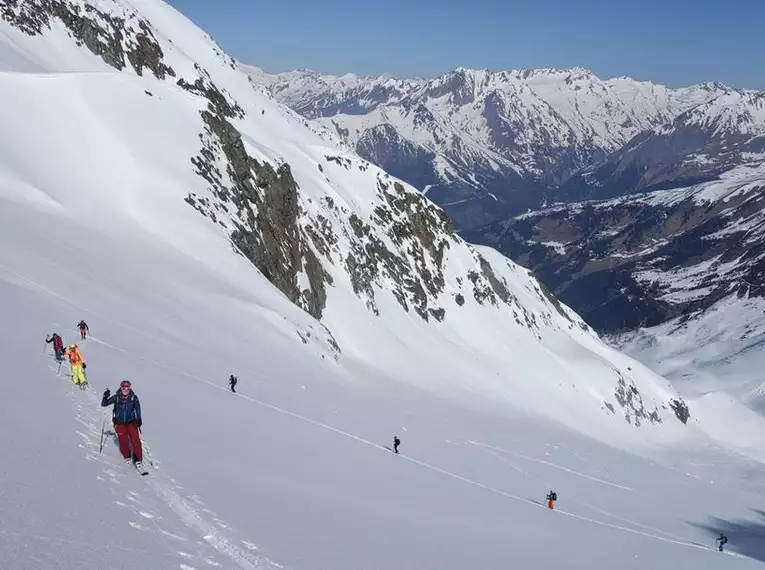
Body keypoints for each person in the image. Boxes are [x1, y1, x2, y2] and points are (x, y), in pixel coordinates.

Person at [102, 380, 144, 473]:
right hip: (119, 422)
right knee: (123, 439)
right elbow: (104, 404)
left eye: (127, 387)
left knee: (135, 439)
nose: (125, 389)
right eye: (124, 387)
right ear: (121, 388)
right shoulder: (117, 397)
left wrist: (139, 419)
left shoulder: (133, 398)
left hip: (131, 421)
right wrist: (105, 396)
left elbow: (138, 408)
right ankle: (127, 455)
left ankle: (138, 459)